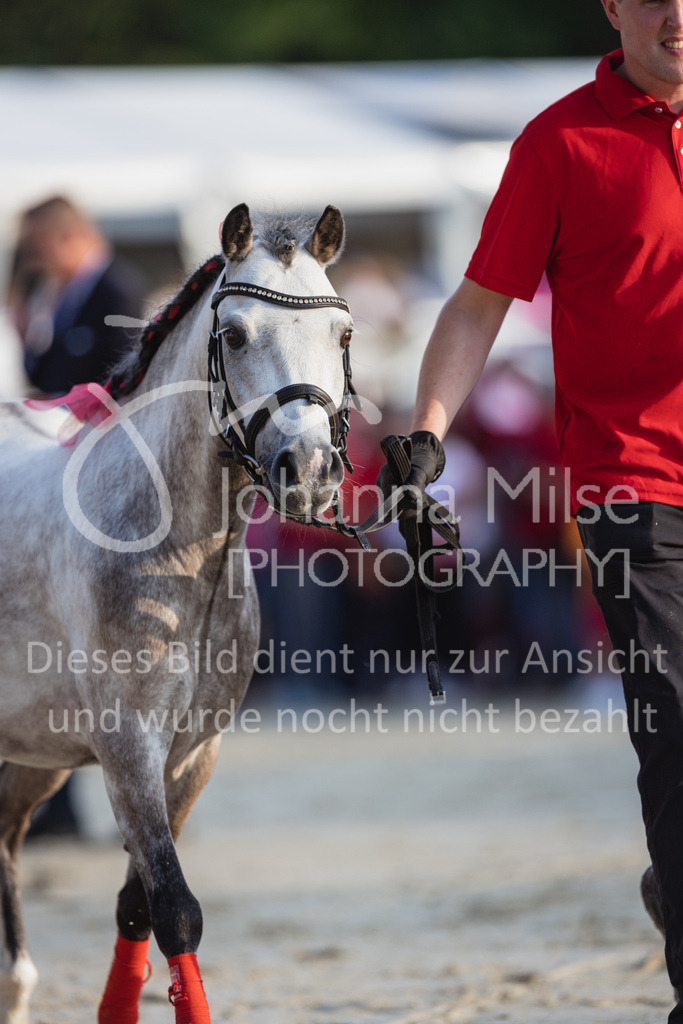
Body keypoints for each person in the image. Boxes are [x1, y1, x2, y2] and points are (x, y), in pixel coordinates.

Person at [377, 1, 683, 1018]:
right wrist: (423, 428)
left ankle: (671, 885)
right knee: (675, 726)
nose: (675, 12)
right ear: (612, 5)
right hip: (631, 485)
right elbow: (476, 306)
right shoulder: (559, 142)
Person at [10, 195, 144, 395]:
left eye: (37, 244)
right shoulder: (64, 293)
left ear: (68, 236)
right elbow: (46, 380)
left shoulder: (118, 293)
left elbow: (120, 384)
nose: (33, 257)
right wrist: (25, 340)